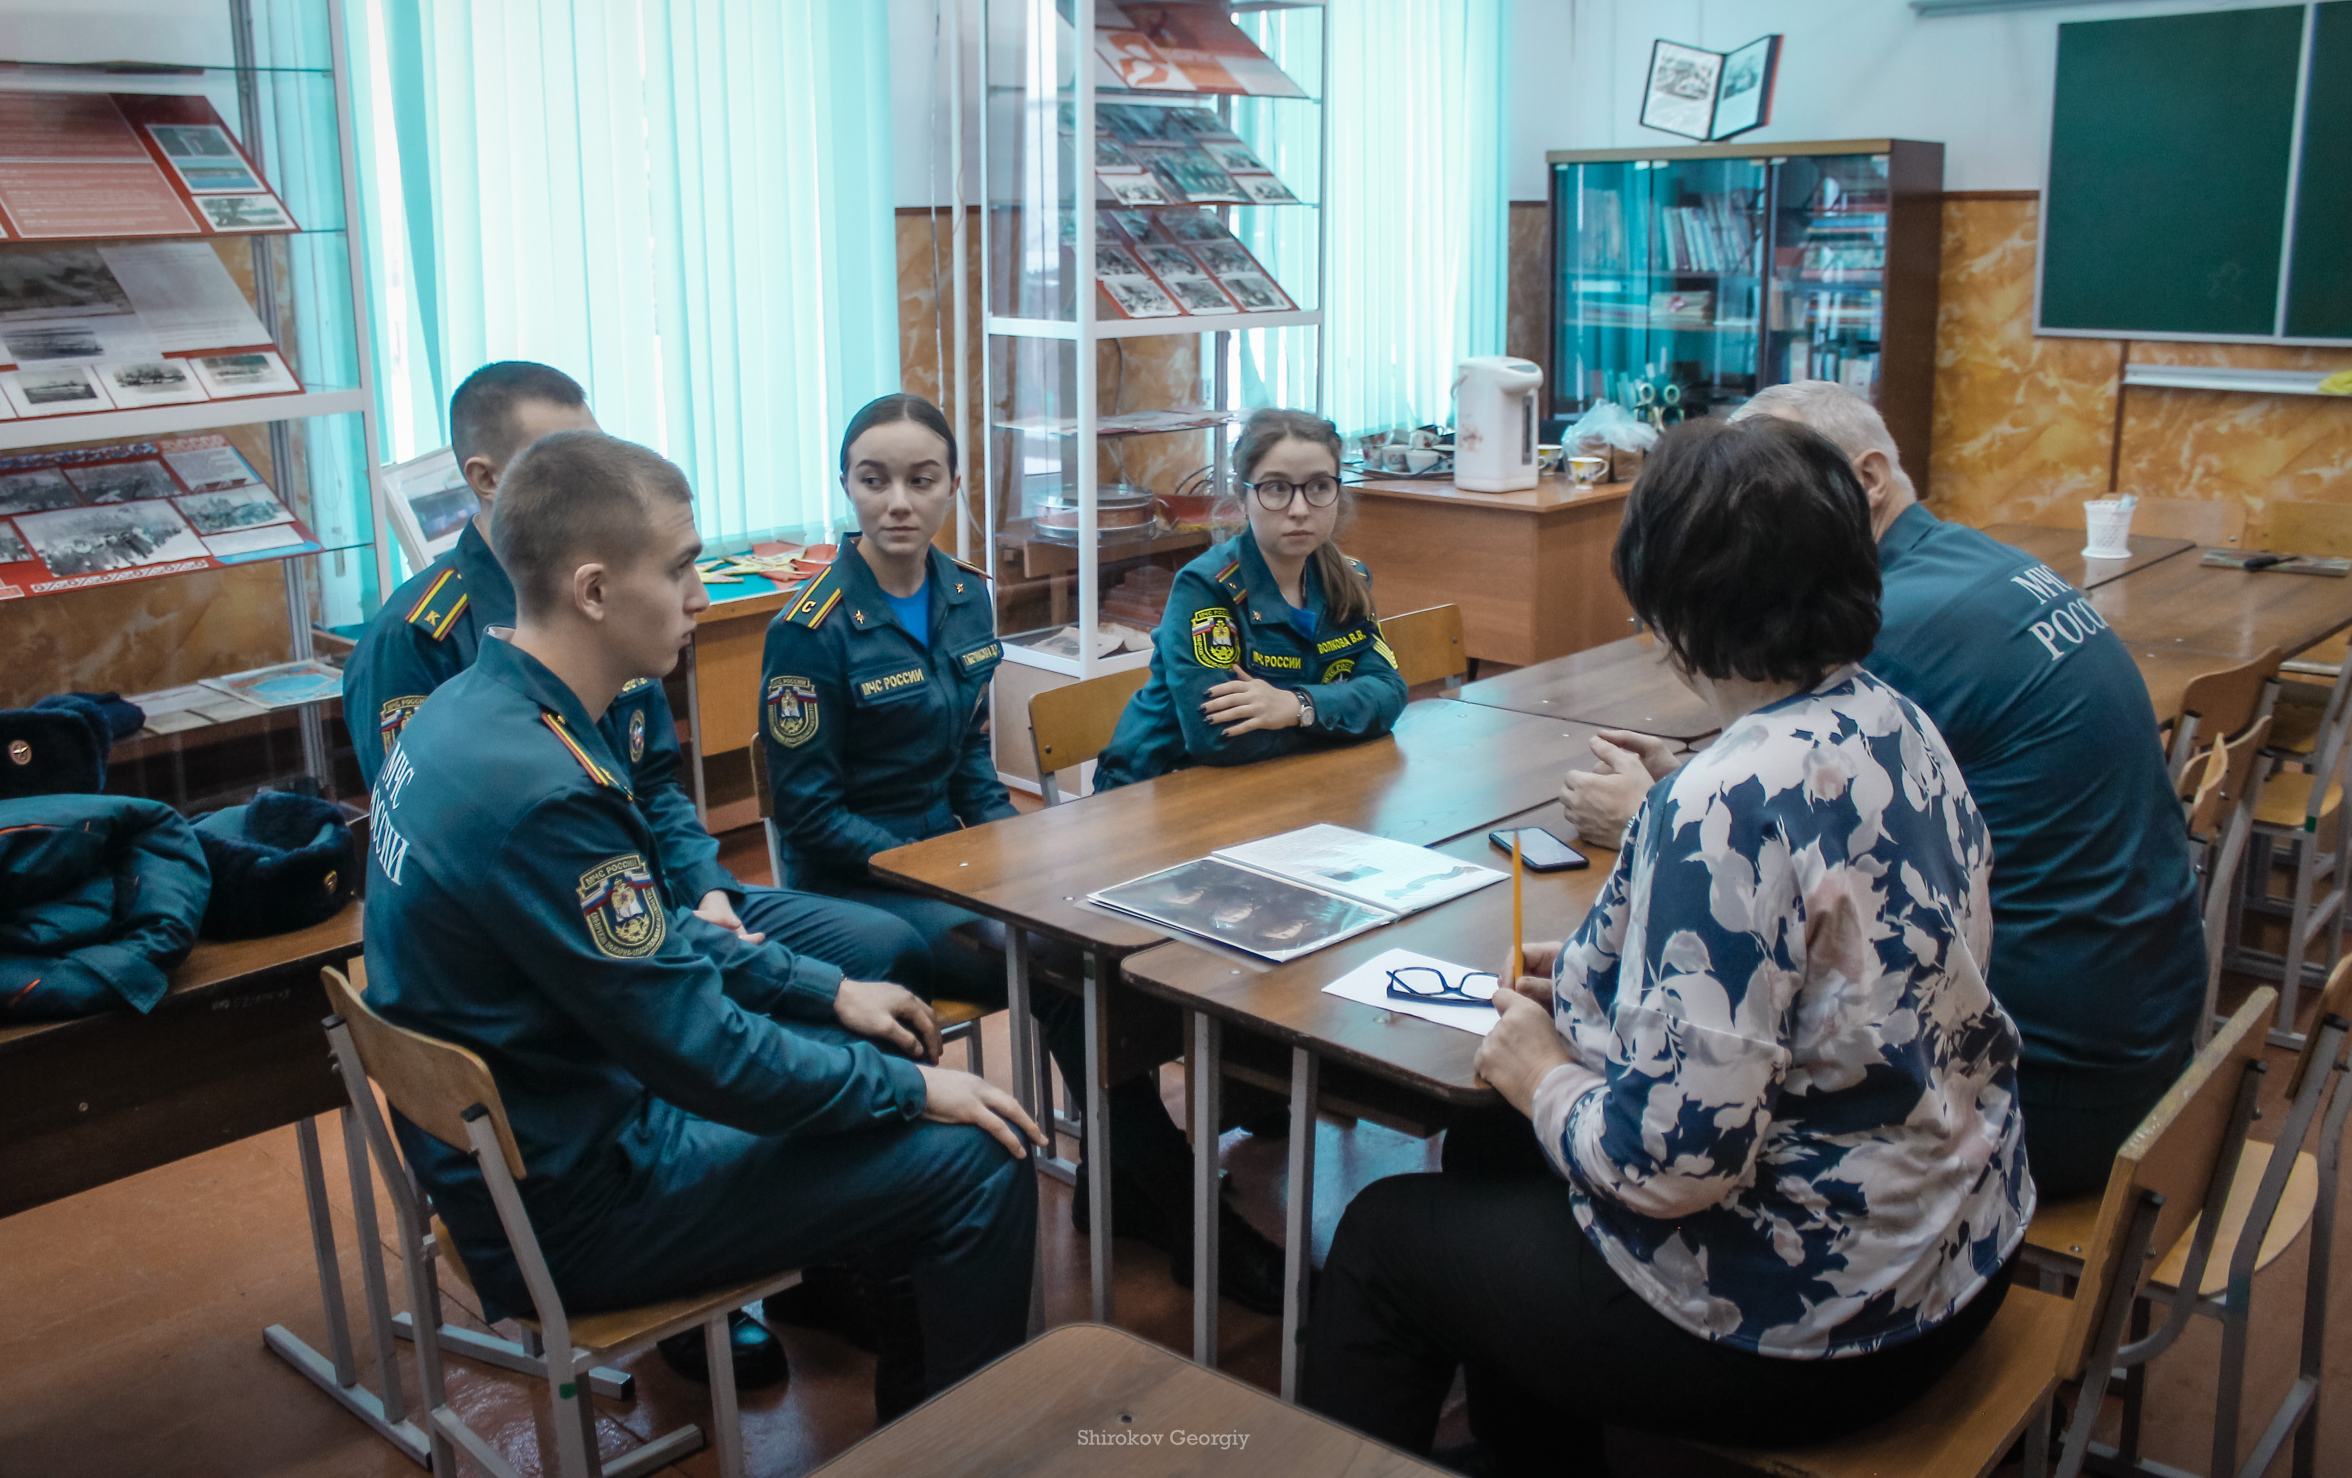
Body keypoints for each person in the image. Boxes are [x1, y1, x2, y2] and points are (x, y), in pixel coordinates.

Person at [1303, 416, 2031, 1475]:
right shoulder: (1897, 723)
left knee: (1383, 1241)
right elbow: (1829, 974)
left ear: (1668, 606)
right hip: (1959, 1239)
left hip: (1820, 1317)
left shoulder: (1720, 802)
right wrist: (1608, 971)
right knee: (1490, 1149)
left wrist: (1544, 1072)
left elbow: (1671, 1167)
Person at [363, 429, 1042, 1421]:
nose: (700, 599)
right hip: (580, 1200)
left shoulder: (474, 708)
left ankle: (912, 1398)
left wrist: (825, 991)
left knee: (858, 1036)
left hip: (539, 1139)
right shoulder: (546, 790)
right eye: (681, 569)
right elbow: (702, 1052)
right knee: (977, 1155)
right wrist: (910, 1090)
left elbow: (650, 943)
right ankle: (958, 1447)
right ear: (594, 591)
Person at [1560, 380, 2206, 1199]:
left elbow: (1766, 849)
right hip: (2147, 1032)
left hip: (2033, 1086)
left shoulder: (1895, 636)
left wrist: (1651, 818)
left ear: (1862, 481)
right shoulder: (1970, 570)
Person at [758, 393, 1288, 1315]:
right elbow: (807, 815)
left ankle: (1123, 1182)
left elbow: (969, 756)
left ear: (954, 486)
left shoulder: (966, 593)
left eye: (922, 479)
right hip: (856, 891)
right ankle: (1183, 1208)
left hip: (956, 862)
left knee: (1103, 933)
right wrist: (946, 864)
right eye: (874, 480)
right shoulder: (809, 628)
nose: (898, 502)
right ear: (845, 485)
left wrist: (1018, 853)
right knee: (1061, 966)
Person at [1096, 409, 1406, 789]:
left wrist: (1297, 706)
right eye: (1276, 488)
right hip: (1155, 788)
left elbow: (1389, 693)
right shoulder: (1204, 588)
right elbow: (1219, 739)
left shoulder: (1348, 579)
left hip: (1283, 782)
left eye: (1319, 486)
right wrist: (1340, 714)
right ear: (1242, 499)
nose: (1299, 509)